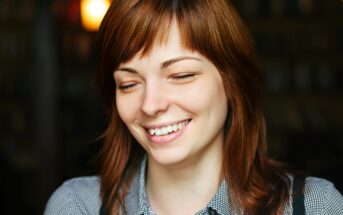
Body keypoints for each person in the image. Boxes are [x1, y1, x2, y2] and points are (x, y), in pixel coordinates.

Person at [44, 0, 343, 214]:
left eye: (181, 75)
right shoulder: (77, 206)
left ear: (231, 82)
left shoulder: (312, 206)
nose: (150, 105)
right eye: (129, 83)